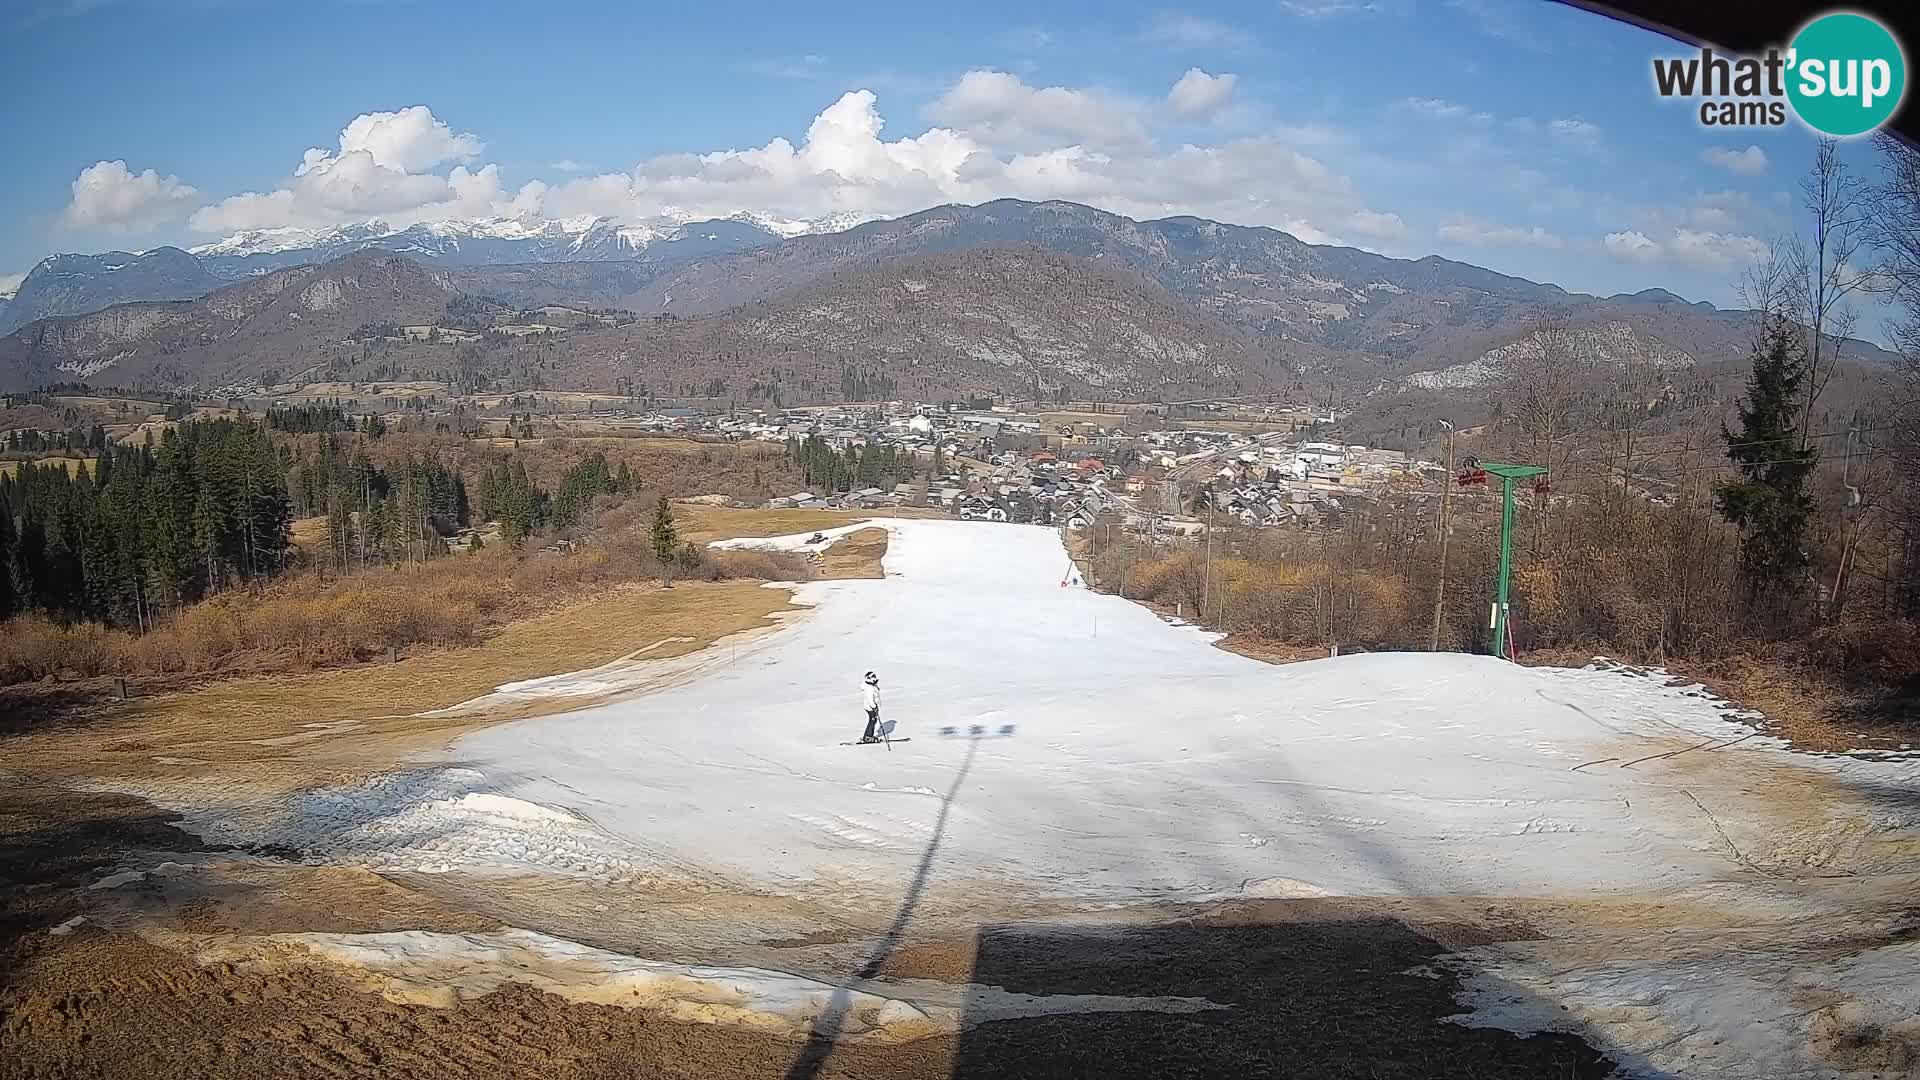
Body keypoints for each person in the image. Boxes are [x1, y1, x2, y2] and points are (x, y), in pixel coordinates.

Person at [860, 671, 882, 743]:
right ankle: (867, 736)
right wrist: (874, 707)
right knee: (872, 720)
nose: (875, 678)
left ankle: (869, 735)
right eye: (873, 677)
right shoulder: (869, 688)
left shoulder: (872, 686)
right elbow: (870, 699)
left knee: (873, 720)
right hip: (870, 707)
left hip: (871, 707)